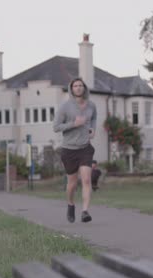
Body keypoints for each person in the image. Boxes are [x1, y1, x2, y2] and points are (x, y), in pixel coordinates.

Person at [53, 78, 97, 223]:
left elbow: (94, 118)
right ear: (71, 89)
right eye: (75, 86)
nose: (78, 88)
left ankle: (85, 211)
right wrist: (74, 124)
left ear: (84, 88)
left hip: (85, 148)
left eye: (80, 85)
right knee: (72, 183)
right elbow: (56, 127)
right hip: (69, 149)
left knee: (85, 179)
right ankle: (71, 204)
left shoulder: (91, 105)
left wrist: (93, 129)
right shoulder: (65, 107)